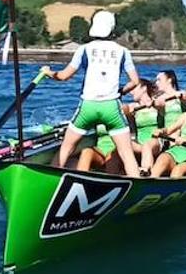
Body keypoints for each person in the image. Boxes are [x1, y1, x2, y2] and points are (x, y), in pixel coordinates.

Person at [40, 9, 142, 177]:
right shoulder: (123, 51)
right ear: (112, 29)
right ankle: (136, 186)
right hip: (112, 108)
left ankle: (50, 178)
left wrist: (48, 72)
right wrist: (120, 92)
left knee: (66, 147)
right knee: (126, 153)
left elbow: (64, 76)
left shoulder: (84, 50)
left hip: (88, 106)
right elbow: (135, 81)